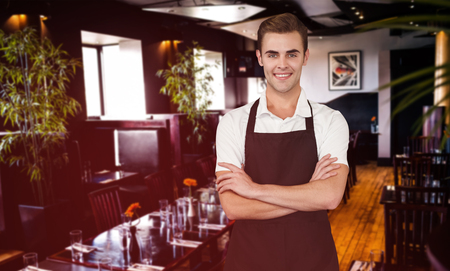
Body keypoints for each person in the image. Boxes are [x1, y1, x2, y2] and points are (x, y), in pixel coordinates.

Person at [215, 13, 349, 271]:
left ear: (305, 57)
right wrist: (309, 191)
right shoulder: (232, 123)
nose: (282, 64)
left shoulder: (331, 120)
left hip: (313, 259)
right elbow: (233, 206)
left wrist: (253, 190)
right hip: (249, 260)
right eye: (273, 54)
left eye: (292, 54)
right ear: (260, 58)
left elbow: (331, 197)